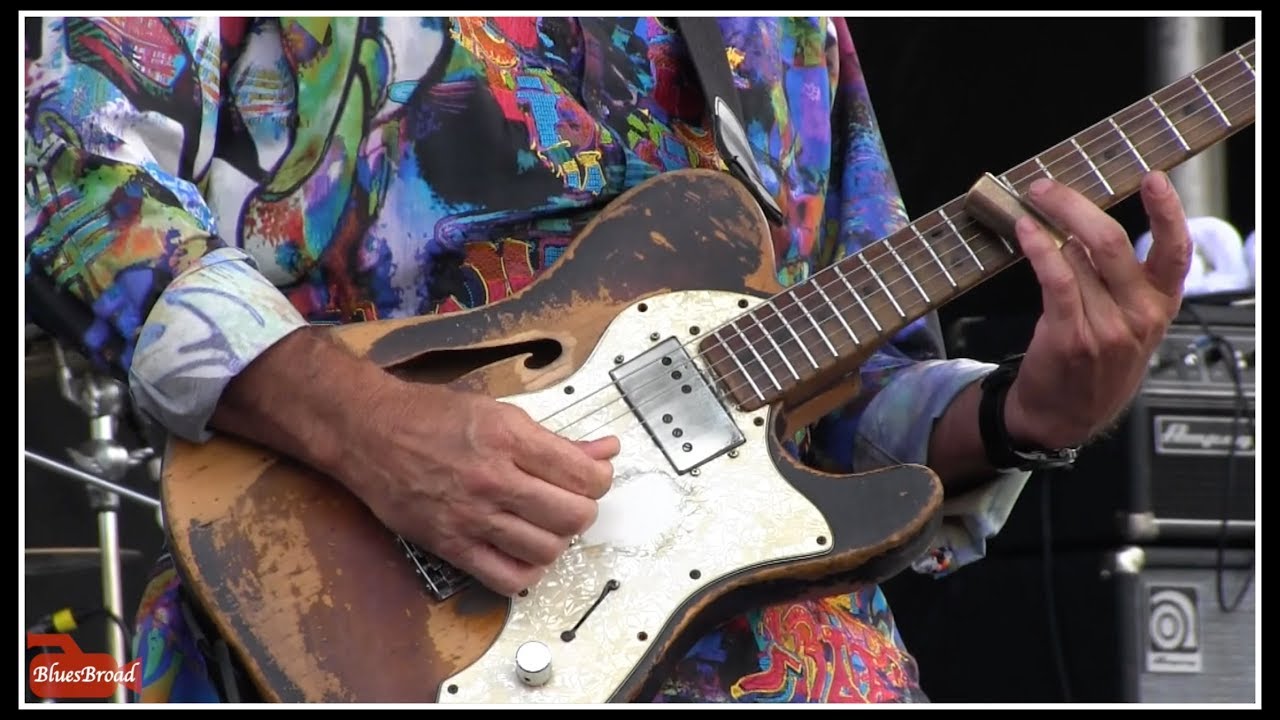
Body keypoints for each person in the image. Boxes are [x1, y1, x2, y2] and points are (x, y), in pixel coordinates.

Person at [23, 16, 1192, 704]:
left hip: (780, 667)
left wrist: (1024, 416)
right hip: (353, 629)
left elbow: (851, 393)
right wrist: (365, 427)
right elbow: (69, 173)